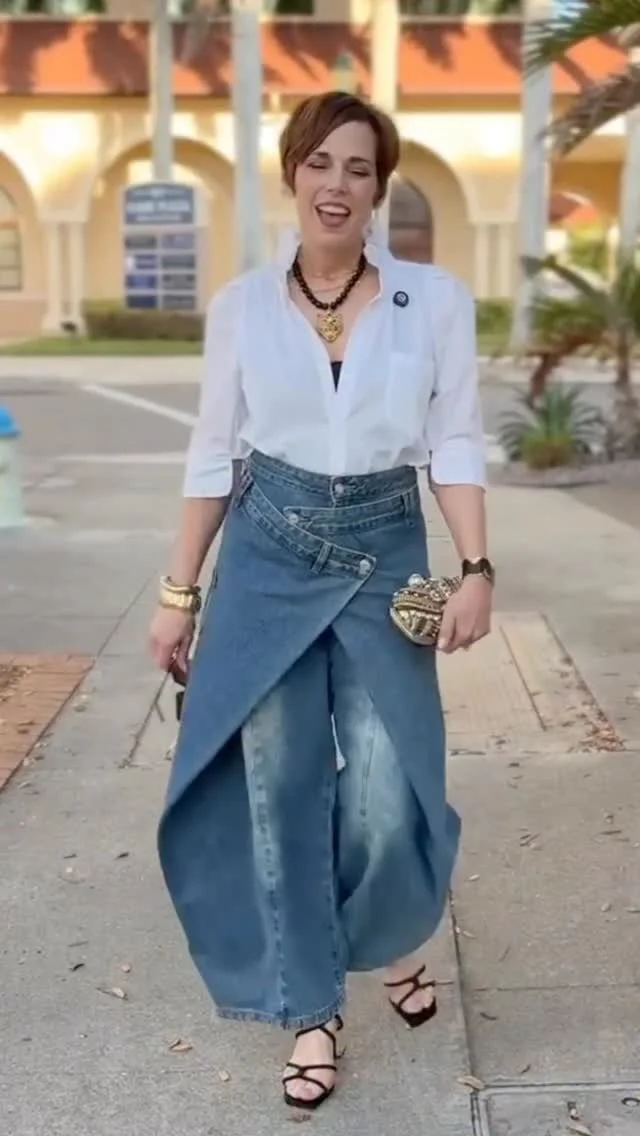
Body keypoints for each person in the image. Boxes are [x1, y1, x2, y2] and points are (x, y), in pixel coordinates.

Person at [149, 90, 493, 1112]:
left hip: (386, 546)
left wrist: (476, 567)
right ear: (292, 173)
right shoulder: (242, 308)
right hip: (267, 549)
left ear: (378, 187)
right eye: (320, 163)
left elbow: (455, 442)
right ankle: (311, 1006)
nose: (336, 184)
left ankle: (384, 934)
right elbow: (214, 454)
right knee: (280, 787)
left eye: (358, 167)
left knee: (389, 786)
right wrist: (179, 593)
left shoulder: (432, 301)